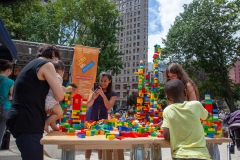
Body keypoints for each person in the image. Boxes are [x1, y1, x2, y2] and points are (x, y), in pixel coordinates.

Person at [6, 44, 64, 160]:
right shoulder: (47, 65)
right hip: (28, 122)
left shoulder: (32, 65)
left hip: (24, 120)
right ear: (53, 55)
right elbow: (59, 96)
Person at [162, 79, 211, 160]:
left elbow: (166, 136)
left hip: (180, 155)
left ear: (168, 98)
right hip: (201, 155)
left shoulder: (167, 110)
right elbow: (207, 116)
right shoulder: (196, 105)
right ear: (185, 92)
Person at [85, 71, 117, 160]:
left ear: (109, 81)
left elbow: (109, 107)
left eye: (105, 81)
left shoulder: (113, 94)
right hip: (91, 116)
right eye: (101, 80)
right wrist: (93, 97)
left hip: (103, 118)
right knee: (90, 140)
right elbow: (88, 104)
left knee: (101, 140)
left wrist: (103, 95)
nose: (102, 83)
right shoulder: (93, 89)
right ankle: (87, 158)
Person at [44, 60, 73, 132]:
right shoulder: (58, 76)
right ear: (60, 71)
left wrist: (66, 89)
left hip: (49, 100)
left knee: (54, 116)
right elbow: (59, 88)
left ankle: (55, 128)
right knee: (60, 113)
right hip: (51, 100)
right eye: (63, 72)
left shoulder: (51, 76)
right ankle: (46, 123)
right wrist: (66, 90)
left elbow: (59, 86)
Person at [0, 59, 14, 148]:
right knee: (0, 133)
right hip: (5, 109)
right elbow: (12, 96)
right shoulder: (11, 82)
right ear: (9, 69)